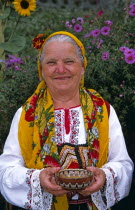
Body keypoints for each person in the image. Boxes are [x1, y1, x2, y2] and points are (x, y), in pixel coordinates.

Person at [0, 31, 134, 210]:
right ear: (42, 70)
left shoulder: (103, 110)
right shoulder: (26, 114)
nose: (60, 69)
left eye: (69, 61)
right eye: (51, 62)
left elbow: (123, 164)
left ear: (82, 66)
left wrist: (105, 175)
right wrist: (38, 179)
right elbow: (5, 170)